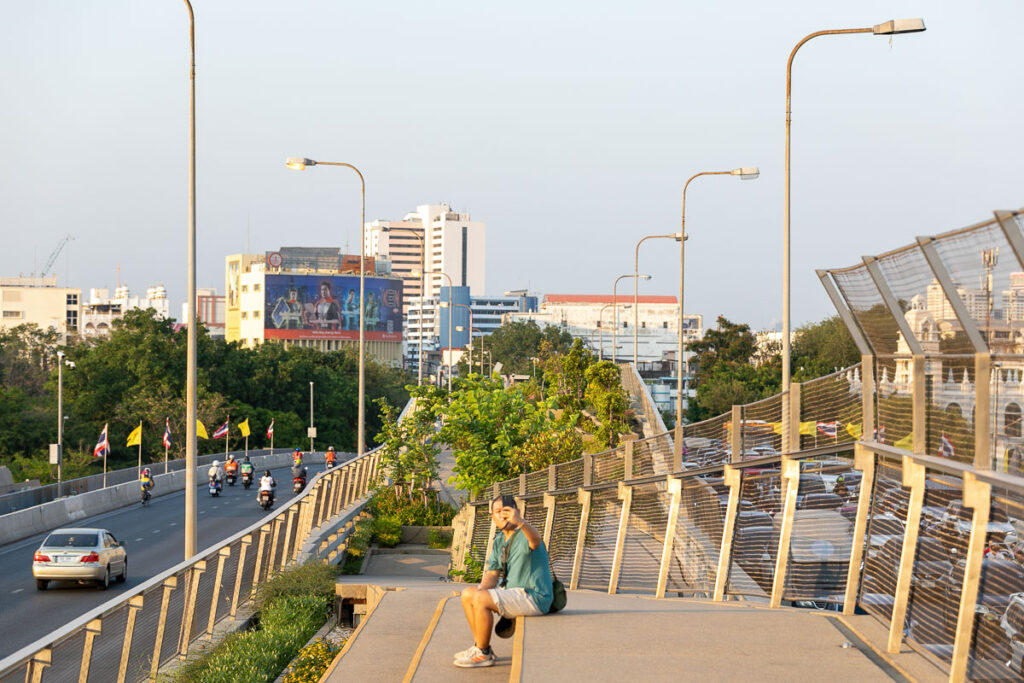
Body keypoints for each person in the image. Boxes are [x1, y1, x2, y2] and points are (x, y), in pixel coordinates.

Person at [455, 494, 553, 668]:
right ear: (492, 516)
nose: (502, 515)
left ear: (517, 512)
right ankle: (480, 647)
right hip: (513, 593)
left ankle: (483, 654)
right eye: (498, 512)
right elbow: (493, 574)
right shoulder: (499, 539)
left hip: (534, 596)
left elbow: (535, 540)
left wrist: (520, 522)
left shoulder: (525, 533)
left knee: (480, 598)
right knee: (468, 594)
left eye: (506, 511)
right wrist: (481, 591)